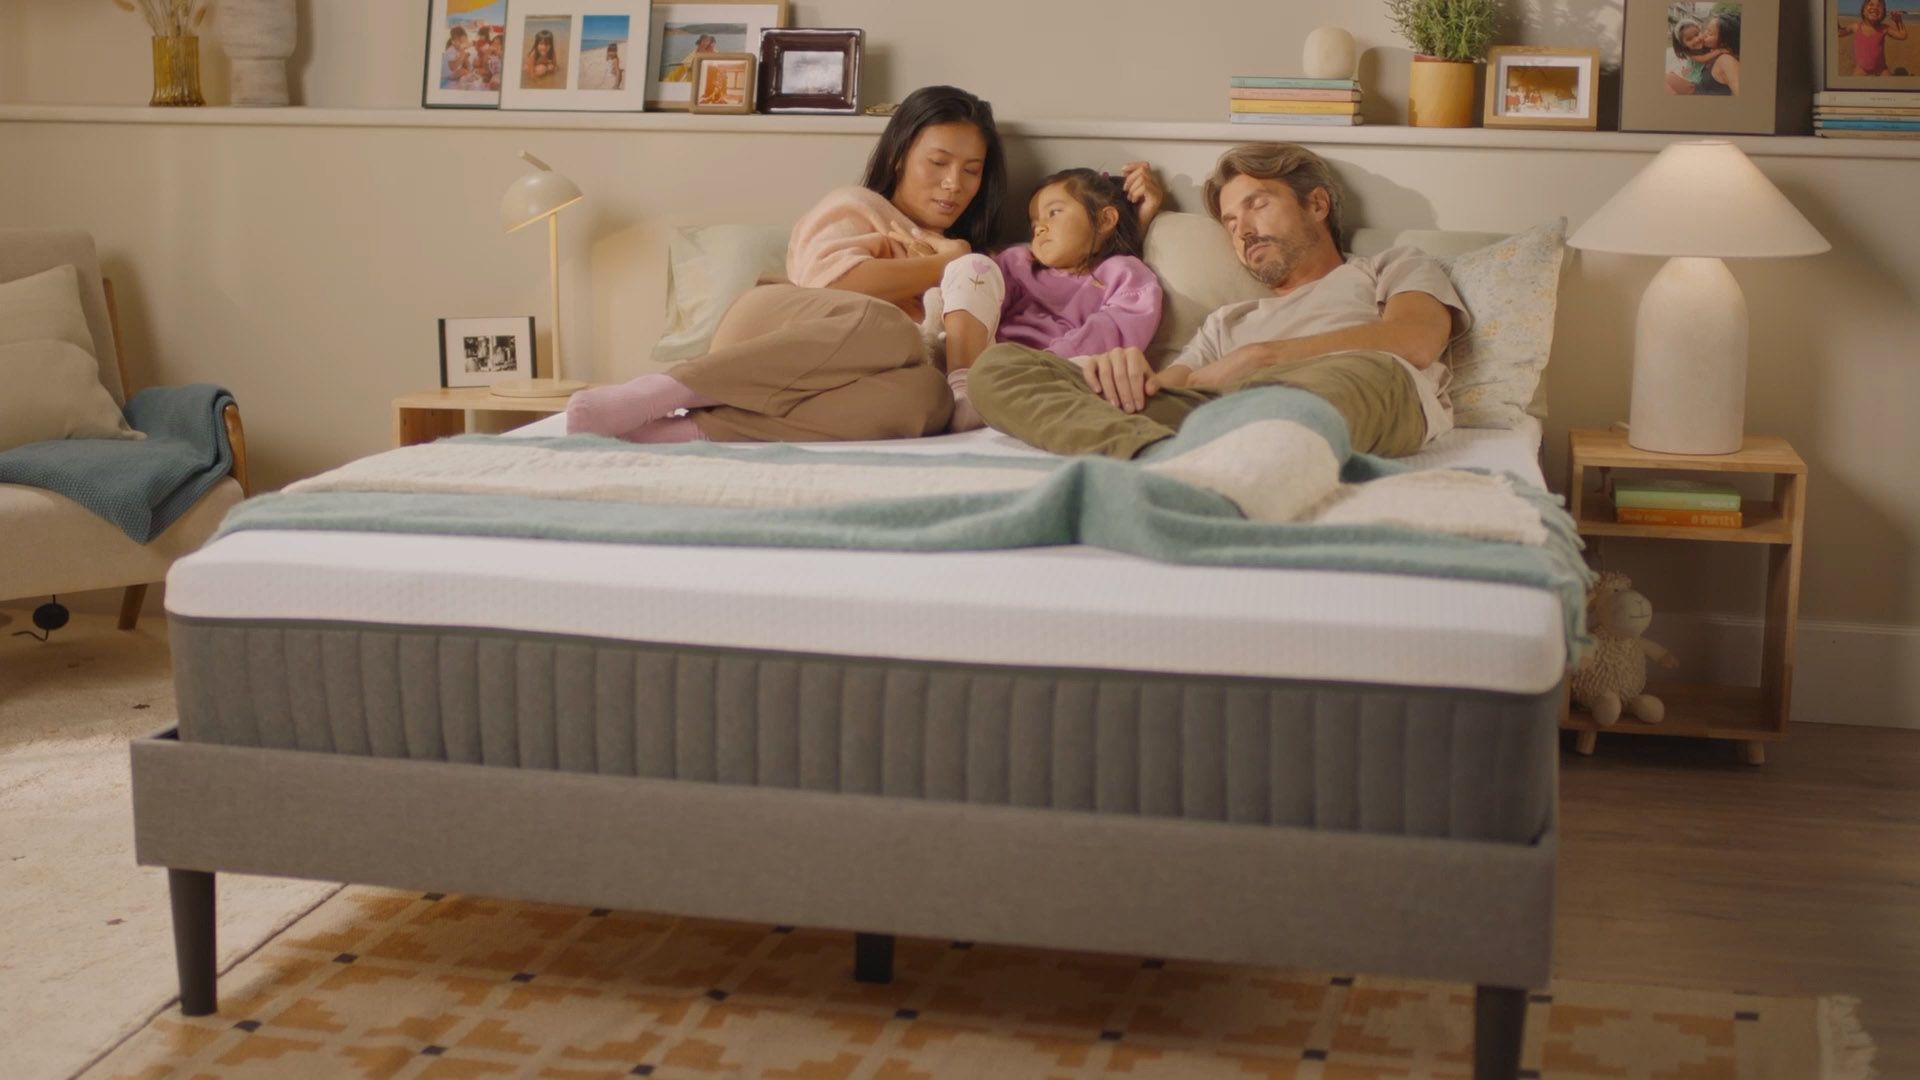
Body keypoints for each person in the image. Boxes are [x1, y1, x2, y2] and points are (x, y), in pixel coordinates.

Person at [568, 85, 1085, 443]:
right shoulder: (857, 206)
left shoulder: (968, 260)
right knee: (888, 327)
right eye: (939, 162)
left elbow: (1070, 285)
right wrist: (943, 262)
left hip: (848, 380)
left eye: (971, 171)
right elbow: (836, 284)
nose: (955, 184)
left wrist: (1129, 215)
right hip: (774, 331)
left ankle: (684, 432)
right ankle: (659, 390)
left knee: (926, 399)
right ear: (902, 153)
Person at [968, 142, 1466, 462]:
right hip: (1218, 413)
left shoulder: (1388, 266)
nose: (1243, 230)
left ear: (1316, 205)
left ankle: (1181, 453)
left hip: (1365, 390)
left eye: (1258, 205)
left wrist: (1261, 358)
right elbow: (1168, 393)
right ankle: (1154, 457)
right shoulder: (1227, 322)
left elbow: (1414, 341)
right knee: (998, 369)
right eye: (1230, 222)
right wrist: (1122, 376)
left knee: (1356, 377)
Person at [932, 167, 1164, 430]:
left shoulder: (1123, 272)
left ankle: (989, 401)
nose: (1040, 227)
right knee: (972, 266)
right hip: (984, 363)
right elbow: (975, 304)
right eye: (1034, 223)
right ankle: (962, 390)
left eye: (1054, 213)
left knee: (1095, 367)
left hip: (1052, 374)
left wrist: (1036, 366)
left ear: (1105, 220)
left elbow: (1112, 330)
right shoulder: (1018, 263)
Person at [1840, 0, 1910, 76]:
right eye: (1871, 4)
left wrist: (1898, 21)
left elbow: (1902, 36)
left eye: (1879, 6)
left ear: (1883, 14)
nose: (1875, 7)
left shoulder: (1884, 28)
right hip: (1861, 69)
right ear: (1863, 11)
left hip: (1881, 68)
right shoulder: (1856, 27)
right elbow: (1839, 33)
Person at [440, 25, 471, 90]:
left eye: (464, 41)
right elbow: (453, 67)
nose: (463, 44)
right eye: (461, 42)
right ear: (453, 42)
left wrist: (465, 57)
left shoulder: (459, 50)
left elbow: (467, 66)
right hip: (447, 75)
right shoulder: (450, 50)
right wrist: (462, 52)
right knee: (463, 72)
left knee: (466, 71)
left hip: (454, 74)